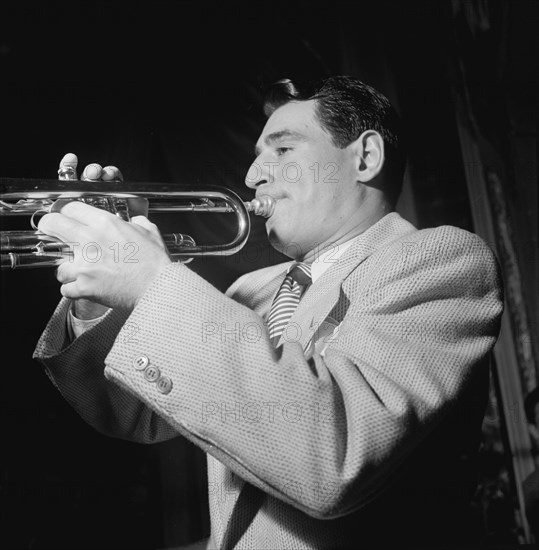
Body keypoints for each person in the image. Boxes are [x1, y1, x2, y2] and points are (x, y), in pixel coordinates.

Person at [33, 76, 503, 549]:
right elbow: (128, 414)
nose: (252, 176)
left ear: (365, 158)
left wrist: (153, 284)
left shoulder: (440, 259)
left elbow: (337, 452)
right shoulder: (250, 291)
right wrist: (98, 296)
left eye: (282, 151)